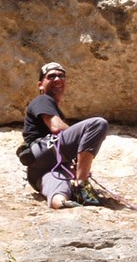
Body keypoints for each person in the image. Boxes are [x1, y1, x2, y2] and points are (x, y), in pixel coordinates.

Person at [22, 62, 109, 209]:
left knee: (58, 187)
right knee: (97, 124)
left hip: (37, 169)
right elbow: (56, 127)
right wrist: (79, 140)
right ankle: (82, 184)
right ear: (40, 85)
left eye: (61, 76)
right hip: (45, 150)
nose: (57, 79)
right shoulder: (43, 100)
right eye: (51, 76)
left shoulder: (52, 106)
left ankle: (60, 201)